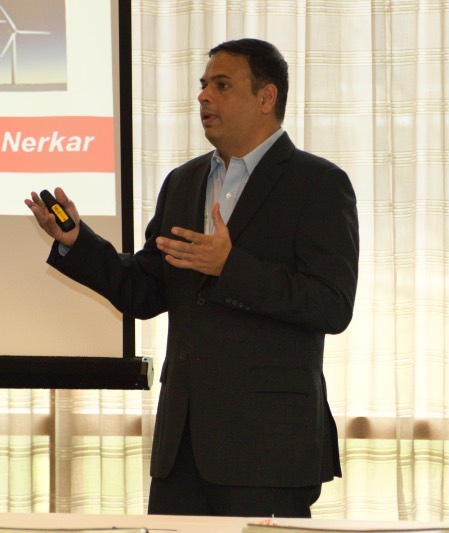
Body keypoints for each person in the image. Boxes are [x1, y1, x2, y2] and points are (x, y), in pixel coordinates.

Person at [25, 38, 359, 518]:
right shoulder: (183, 182)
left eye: (221, 86)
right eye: (203, 85)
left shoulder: (318, 184)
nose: (203, 96)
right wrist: (78, 242)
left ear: (266, 98)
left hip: (267, 450)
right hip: (181, 450)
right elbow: (143, 289)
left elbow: (331, 303)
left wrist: (230, 267)